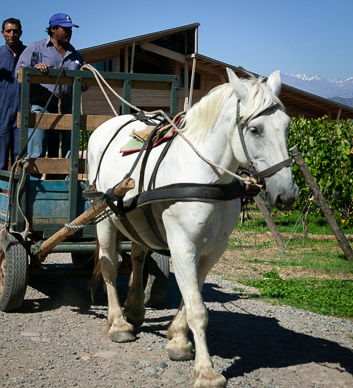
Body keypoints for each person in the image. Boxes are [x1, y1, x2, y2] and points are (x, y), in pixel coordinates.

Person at [16, 13, 85, 175]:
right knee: (37, 150)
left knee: (69, 152)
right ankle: (32, 191)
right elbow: (18, 73)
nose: (69, 32)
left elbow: (85, 85)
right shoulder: (35, 48)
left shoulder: (75, 54)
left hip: (68, 108)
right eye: (65, 29)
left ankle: (63, 189)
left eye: (70, 29)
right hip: (42, 106)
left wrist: (85, 75)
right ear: (53, 29)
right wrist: (35, 70)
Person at [0, 18, 26, 170]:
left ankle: (17, 192)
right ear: (2, 33)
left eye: (15, 31)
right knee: (1, 158)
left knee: (19, 156)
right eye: (8, 31)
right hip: (2, 111)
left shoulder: (29, 53)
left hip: (21, 111)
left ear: (20, 33)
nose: (12, 34)